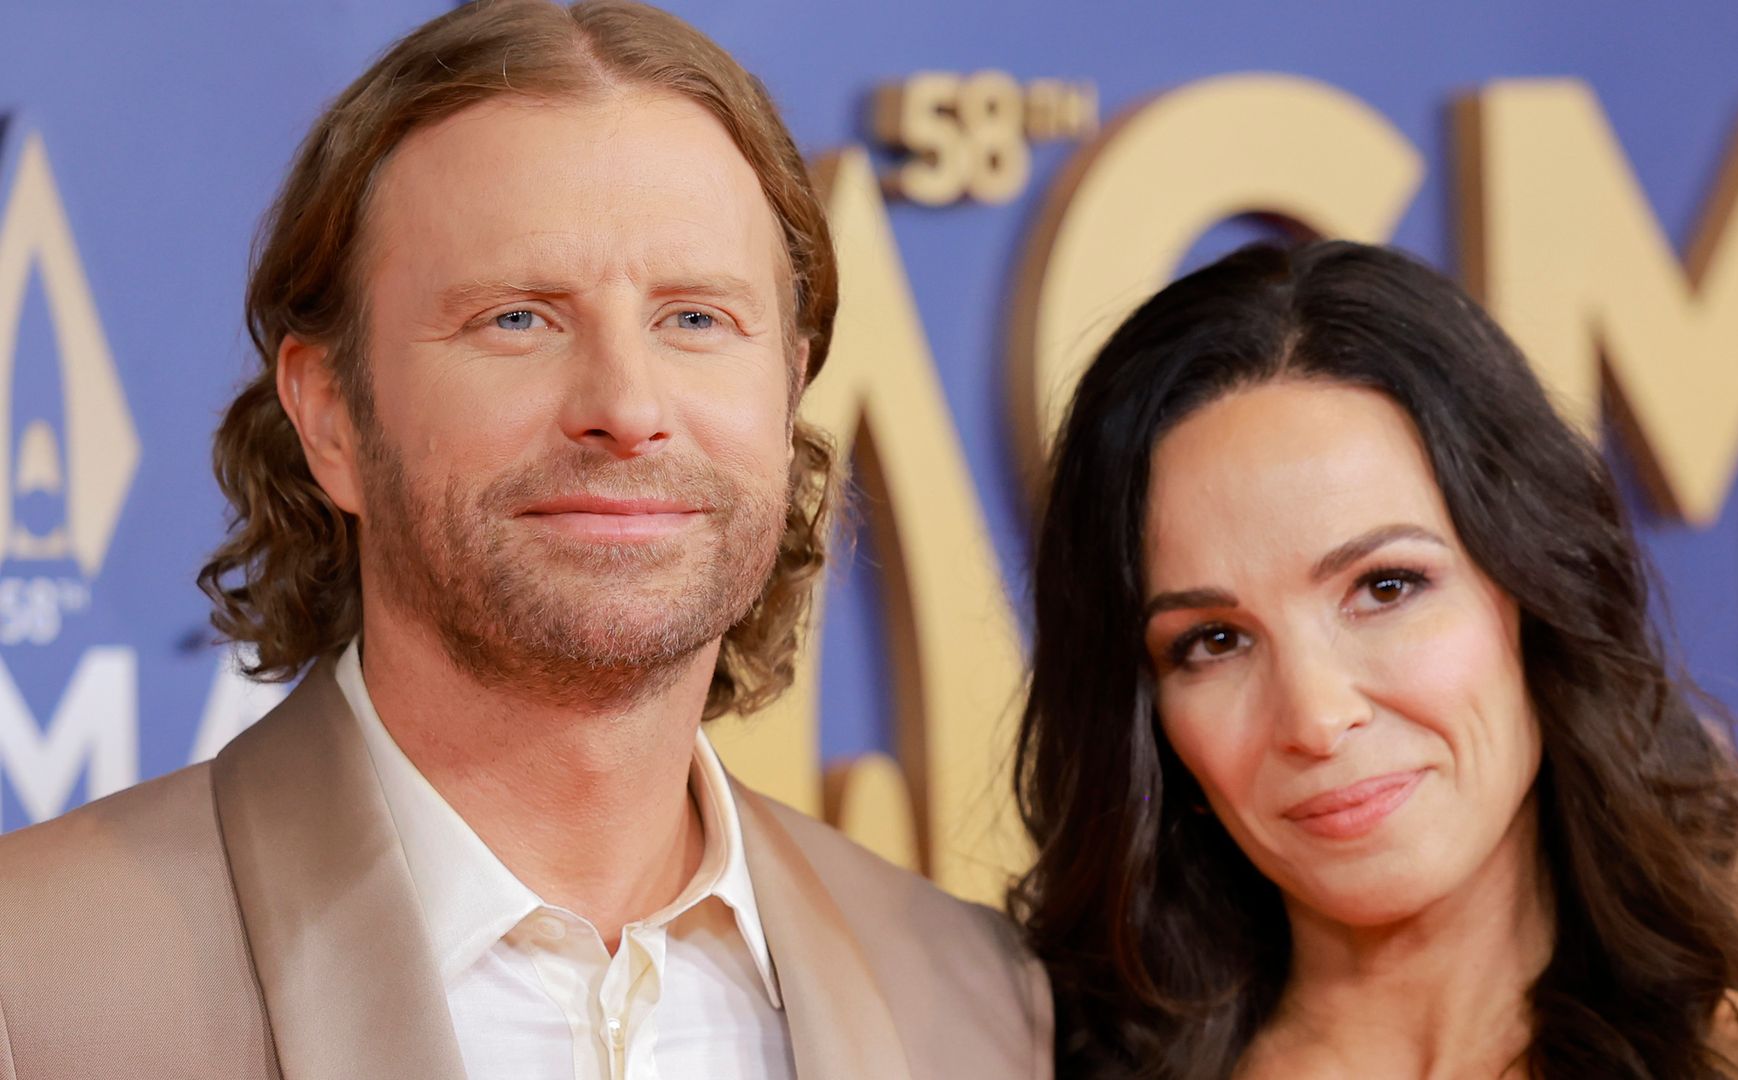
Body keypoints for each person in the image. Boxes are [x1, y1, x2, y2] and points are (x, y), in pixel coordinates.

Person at [0, 3, 1048, 1078]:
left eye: (694, 318)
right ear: (330, 418)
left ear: (790, 395)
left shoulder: (974, 1004)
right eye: (517, 319)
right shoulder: (31, 985)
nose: (626, 406)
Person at [1011, 239, 1738, 1079]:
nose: (1318, 718)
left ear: (1533, 593)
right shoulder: (1020, 1059)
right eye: (1213, 642)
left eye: (1386, 587)